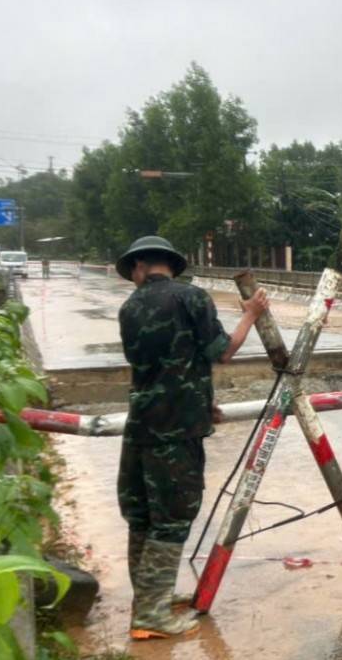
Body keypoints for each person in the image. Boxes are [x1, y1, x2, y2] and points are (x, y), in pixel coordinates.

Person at [116, 235, 268, 640]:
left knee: (143, 516)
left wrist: (200, 402)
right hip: (175, 431)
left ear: (139, 267)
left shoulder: (129, 308)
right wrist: (250, 314)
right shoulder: (192, 298)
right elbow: (221, 351)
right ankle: (151, 614)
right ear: (168, 264)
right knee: (172, 517)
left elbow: (163, 369)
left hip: (141, 426)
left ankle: (148, 598)